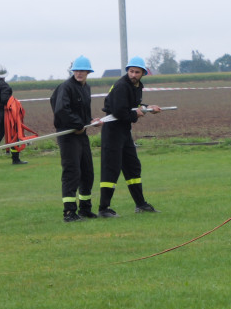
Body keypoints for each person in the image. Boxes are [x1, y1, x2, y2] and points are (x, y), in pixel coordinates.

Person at [97, 57, 161, 217]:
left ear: (143, 73)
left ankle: (141, 204)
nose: (133, 74)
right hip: (112, 131)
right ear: (127, 71)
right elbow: (119, 111)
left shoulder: (137, 86)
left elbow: (134, 105)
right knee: (111, 169)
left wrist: (148, 108)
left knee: (133, 166)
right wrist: (136, 114)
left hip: (124, 132)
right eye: (131, 71)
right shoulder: (121, 86)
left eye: (137, 72)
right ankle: (104, 209)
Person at [50, 56, 99, 222]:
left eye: (82, 71)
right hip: (68, 135)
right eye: (77, 70)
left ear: (88, 72)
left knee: (87, 172)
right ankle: (69, 212)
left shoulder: (86, 88)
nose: (79, 73)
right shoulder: (66, 87)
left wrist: (89, 122)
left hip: (81, 134)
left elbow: (83, 111)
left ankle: (85, 209)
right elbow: (61, 109)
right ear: (73, 71)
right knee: (72, 172)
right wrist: (77, 124)